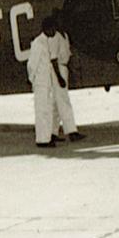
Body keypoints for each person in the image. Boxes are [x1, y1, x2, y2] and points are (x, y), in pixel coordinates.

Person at [27, 15, 83, 147]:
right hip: (46, 78)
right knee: (43, 110)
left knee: (51, 107)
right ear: (47, 28)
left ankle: (49, 136)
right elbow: (32, 64)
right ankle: (43, 140)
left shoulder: (58, 37)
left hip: (50, 78)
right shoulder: (39, 43)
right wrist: (33, 80)